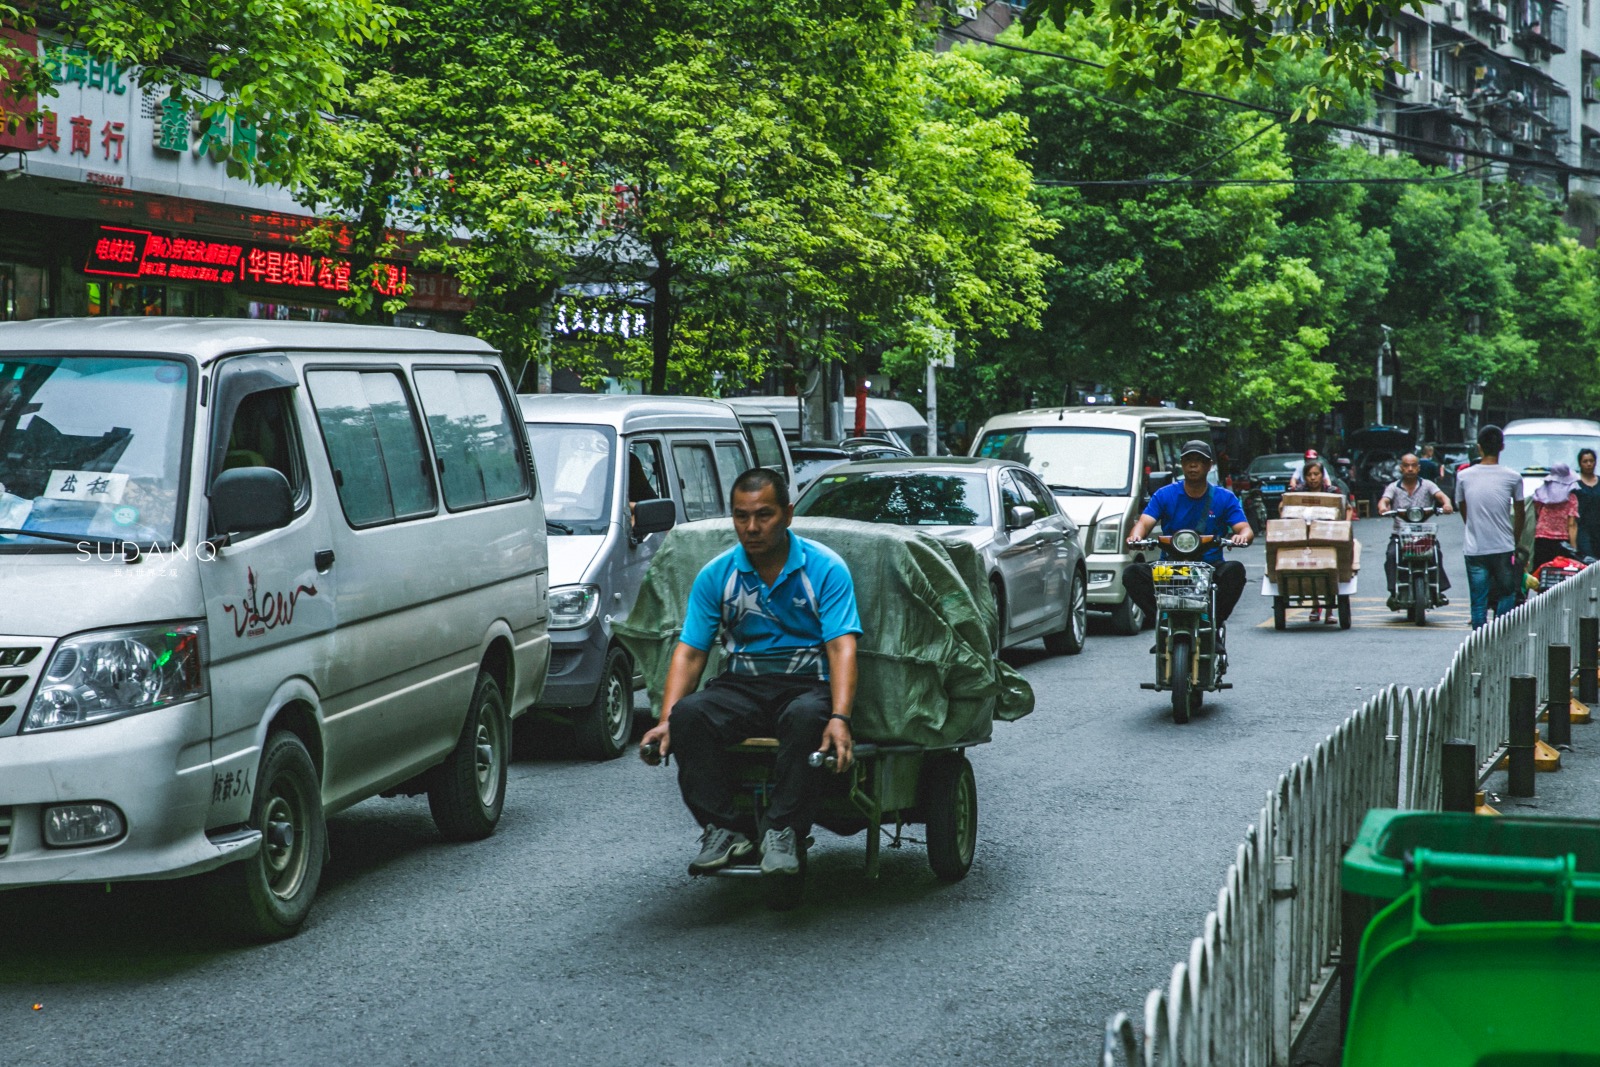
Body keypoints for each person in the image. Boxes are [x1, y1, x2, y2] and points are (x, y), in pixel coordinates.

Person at [639, 467, 861, 879]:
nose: (752, 527)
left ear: (787, 514)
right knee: (689, 715)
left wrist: (840, 717)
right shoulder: (717, 574)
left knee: (805, 718)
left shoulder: (825, 568)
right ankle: (725, 829)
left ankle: (782, 831)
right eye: (741, 516)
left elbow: (841, 645)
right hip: (742, 685)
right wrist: (667, 719)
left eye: (764, 515)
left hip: (806, 687)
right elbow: (691, 652)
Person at [1124, 439, 1254, 635]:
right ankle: (1162, 620)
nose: (1193, 465)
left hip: (1210, 567)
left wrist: (1241, 537)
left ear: (1209, 465)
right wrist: (1136, 537)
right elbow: (1144, 523)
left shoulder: (1224, 498)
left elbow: (1245, 529)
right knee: (1132, 573)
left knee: (1235, 571)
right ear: (1182, 465)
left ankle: (1214, 625)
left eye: (1199, 460)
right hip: (1169, 568)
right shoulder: (1164, 495)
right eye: (1188, 460)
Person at [1455, 425, 1526, 630]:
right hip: (1504, 547)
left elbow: (1463, 508)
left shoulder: (1464, 476)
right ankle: (1499, 635)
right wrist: (1515, 539)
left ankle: (1480, 640)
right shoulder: (1513, 477)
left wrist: (1473, 527)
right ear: (1502, 447)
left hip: (1475, 548)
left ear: (1479, 447)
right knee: (1507, 593)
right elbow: (1520, 512)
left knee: (1478, 599)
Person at [1377, 453, 1453, 612]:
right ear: (1401, 468)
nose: (1410, 469)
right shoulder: (1393, 487)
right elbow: (1385, 499)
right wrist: (1383, 507)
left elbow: (1441, 496)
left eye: (1413, 465)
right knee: (1391, 556)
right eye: (1406, 465)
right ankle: (1393, 592)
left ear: (1418, 468)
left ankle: (1438, 589)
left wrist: (1446, 504)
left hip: (1424, 535)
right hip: (1400, 535)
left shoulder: (1428, 485)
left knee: (1436, 553)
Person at [1298, 459, 1358, 623]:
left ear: (1322, 475)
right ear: (1304, 477)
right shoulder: (1298, 492)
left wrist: (1344, 526)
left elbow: (1348, 509)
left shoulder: (1332, 491)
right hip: (1305, 536)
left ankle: (1329, 610)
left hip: (1329, 535)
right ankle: (1315, 606)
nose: (1312, 478)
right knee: (1311, 570)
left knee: (1329, 569)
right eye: (1309, 475)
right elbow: (1285, 507)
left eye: (1316, 474)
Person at [1530, 462, 1579, 571]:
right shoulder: (1572, 498)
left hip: (1542, 537)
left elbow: (1537, 511)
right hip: (1562, 540)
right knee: (1560, 572)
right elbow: (1571, 524)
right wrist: (1573, 546)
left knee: (1541, 570)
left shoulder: (1541, 494)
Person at [1575, 448, 1600, 559]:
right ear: (1580, 463)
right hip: (1582, 528)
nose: (1589, 464)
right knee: (1588, 558)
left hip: (1598, 527)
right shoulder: (1575, 484)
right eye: (1585, 461)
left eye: (1591, 461)